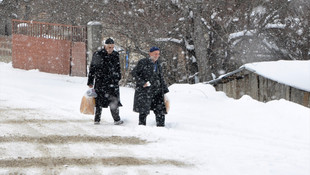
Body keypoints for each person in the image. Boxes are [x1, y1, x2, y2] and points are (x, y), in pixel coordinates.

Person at [87, 38, 123, 125]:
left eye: (112, 47)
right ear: (105, 46)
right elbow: (92, 68)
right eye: (109, 47)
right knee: (99, 101)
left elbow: (118, 68)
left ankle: (116, 119)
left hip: (112, 82)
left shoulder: (115, 55)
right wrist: (90, 81)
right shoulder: (98, 54)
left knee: (114, 101)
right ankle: (97, 119)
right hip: (101, 81)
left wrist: (118, 77)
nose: (111, 49)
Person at [132, 47, 169, 127]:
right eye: (155, 53)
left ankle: (161, 127)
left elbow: (161, 77)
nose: (157, 55)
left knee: (160, 110)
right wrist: (142, 83)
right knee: (144, 110)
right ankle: (142, 127)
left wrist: (165, 92)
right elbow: (134, 73)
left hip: (157, 91)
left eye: (158, 54)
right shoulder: (143, 62)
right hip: (145, 91)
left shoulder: (158, 64)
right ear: (150, 53)